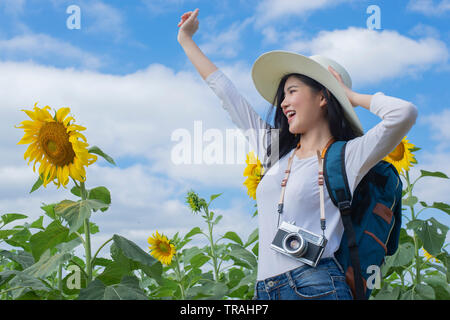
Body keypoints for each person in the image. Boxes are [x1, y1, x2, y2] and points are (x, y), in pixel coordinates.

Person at [177, 8, 418, 300]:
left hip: (316, 286)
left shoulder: (349, 156)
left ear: (322, 97)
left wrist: (350, 96)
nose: (283, 103)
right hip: (264, 290)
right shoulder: (275, 150)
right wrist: (186, 40)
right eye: (283, 96)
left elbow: (403, 113)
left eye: (292, 92)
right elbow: (228, 95)